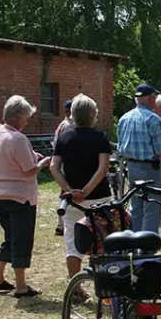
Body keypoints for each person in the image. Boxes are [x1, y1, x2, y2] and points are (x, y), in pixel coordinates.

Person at [0, 95, 52, 298]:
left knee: (10, 237)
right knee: (21, 239)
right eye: (26, 117)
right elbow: (29, 171)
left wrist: (33, 158)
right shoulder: (18, 138)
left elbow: (11, 161)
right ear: (16, 117)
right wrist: (43, 163)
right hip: (20, 197)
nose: (27, 121)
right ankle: (21, 285)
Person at [50, 94, 112, 278]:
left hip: (71, 199)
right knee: (102, 240)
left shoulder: (63, 138)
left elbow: (54, 167)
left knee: (72, 242)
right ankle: (104, 283)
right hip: (99, 196)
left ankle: (75, 286)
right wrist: (86, 191)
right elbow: (102, 169)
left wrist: (69, 190)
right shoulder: (101, 137)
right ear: (93, 115)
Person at [116, 83, 161, 234]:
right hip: (149, 169)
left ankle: (135, 241)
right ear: (151, 98)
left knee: (136, 207)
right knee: (152, 208)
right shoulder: (154, 119)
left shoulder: (124, 119)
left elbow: (120, 148)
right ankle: (148, 247)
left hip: (131, 168)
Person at [52, 99, 75, 236]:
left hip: (62, 162)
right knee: (67, 193)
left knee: (64, 192)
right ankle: (62, 224)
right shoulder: (69, 125)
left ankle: (61, 224)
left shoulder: (63, 124)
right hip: (67, 163)